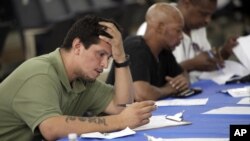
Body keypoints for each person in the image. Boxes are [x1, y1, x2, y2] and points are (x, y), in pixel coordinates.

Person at [0, 15, 156, 141]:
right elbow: (51, 128)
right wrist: (120, 121)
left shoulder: (83, 79)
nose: (104, 64)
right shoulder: (41, 73)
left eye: (109, 58)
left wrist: (121, 57)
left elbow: (120, 107)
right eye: (100, 54)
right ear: (77, 47)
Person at [137, 0, 238, 83]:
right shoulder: (153, 29)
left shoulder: (198, 26)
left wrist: (223, 53)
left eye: (211, 15)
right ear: (186, 3)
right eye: (203, 14)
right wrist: (191, 64)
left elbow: (205, 63)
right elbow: (151, 79)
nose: (208, 20)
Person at [106, 3, 189, 101]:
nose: (182, 36)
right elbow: (142, 94)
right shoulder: (135, 47)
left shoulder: (164, 50)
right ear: (160, 27)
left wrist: (181, 82)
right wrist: (169, 89)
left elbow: (182, 75)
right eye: (178, 30)